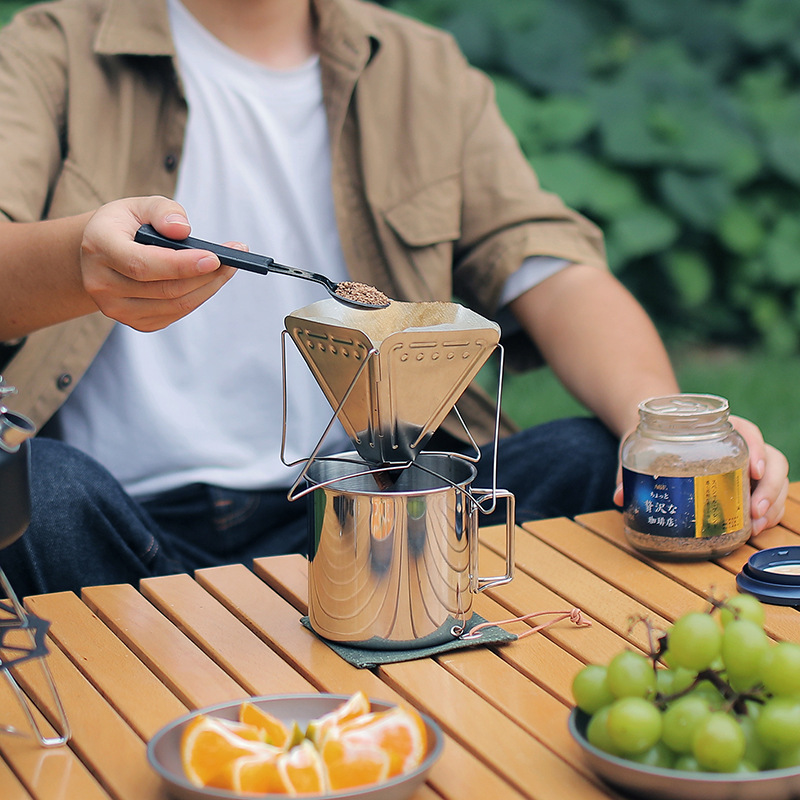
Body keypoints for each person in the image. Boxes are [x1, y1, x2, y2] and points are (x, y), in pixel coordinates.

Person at [0, 0, 788, 598]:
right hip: (117, 534)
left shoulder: (421, 68)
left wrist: (671, 436)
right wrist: (78, 263)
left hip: (391, 515)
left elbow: (551, 268)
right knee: (34, 484)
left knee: (588, 454)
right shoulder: (55, 48)